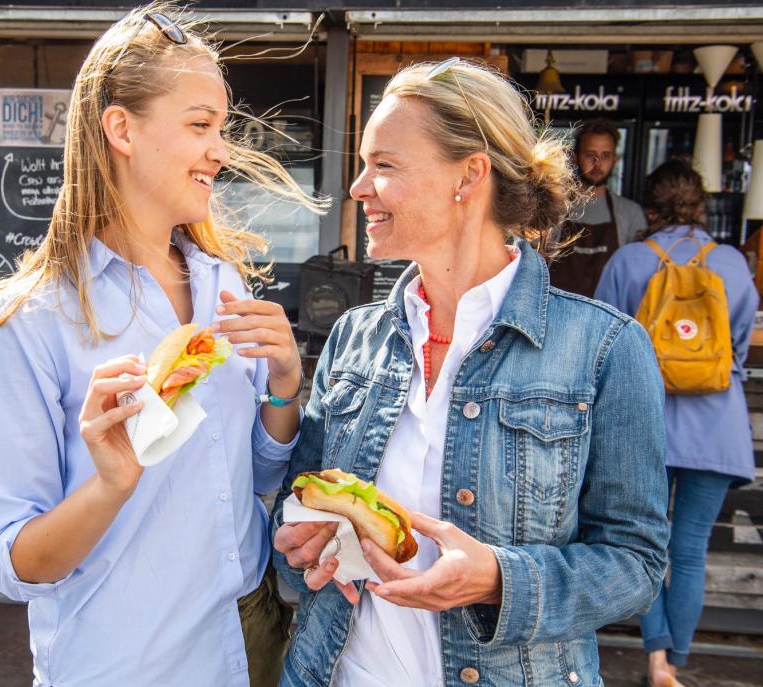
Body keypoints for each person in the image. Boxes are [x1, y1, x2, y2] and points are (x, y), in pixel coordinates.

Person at [271, 58, 670, 687]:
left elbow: (637, 565)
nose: (357, 187)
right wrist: (303, 541)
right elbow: (295, 522)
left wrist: (497, 580)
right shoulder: (354, 339)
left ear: (469, 175)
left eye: (384, 165)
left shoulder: (606, 349)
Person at [0, 5, 323, 686]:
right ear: (121, 129)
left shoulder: (223, 279)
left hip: (250, 637)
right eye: (199, 126)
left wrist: (284, 379)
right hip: (129, 659)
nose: (220, 150)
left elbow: (257, 473)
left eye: (220, 128)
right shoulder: (28, 321)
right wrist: (111, 484)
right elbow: (13, 561)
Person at [595, 160, 757, 687]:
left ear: (651, 204)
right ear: (701, 203)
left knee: (644, 546)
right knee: (689, 549)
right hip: (717, 424)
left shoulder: (630, 259)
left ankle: (655, 657)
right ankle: (674, 662)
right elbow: (735, 345)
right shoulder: (732, 261)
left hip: (646, 425)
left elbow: (603, 344)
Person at [549, 117, 647, 297]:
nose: (597, 163)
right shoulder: (554, 208)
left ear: (615, 160)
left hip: (609, 319)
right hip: (558, 316)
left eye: (605, 155)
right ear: (575, 157)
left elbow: (637, 278)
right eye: (590, 154)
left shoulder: (630, 213)